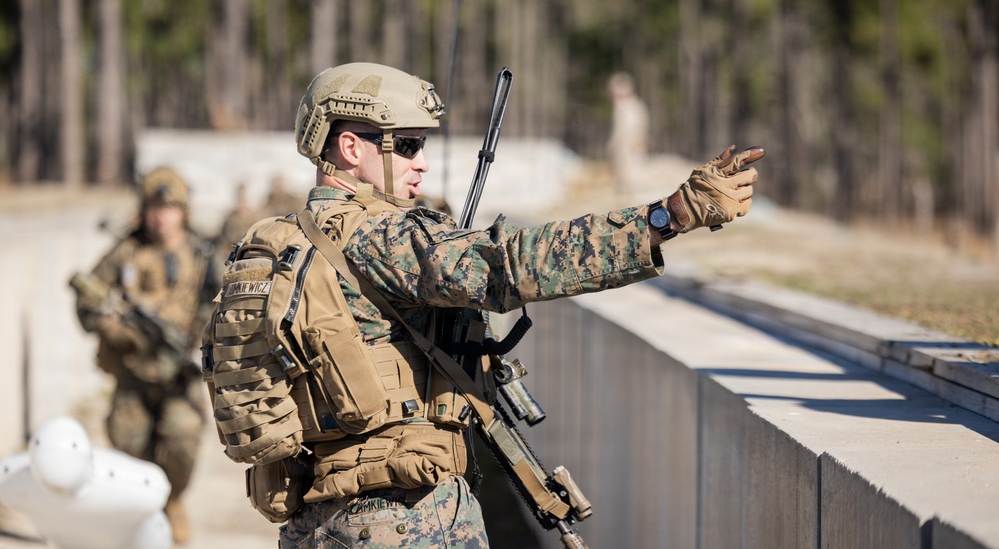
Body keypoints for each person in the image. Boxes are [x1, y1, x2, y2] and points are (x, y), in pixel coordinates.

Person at [216, 62, 762, 548]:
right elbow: (511, 264)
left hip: (317, 522)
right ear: (350, 148)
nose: (422, 163)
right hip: (406, 519)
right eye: (405, 145)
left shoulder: (277, 244)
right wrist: (666, 218)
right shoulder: (379, 238)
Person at [74, 166, 217, 544]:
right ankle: (136, 513)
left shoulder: (203, 254)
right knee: (127, 445)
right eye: (154, 206)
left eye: (169, 207)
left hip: (180, 373)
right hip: (132, 374)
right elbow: (87, 300)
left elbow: (225, 306)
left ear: (184, 210)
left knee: (183, 436)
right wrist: (118, 331)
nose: (161, 215)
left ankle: (172, 502)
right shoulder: (126, 250)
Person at [606, 72, 651, 199]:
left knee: (632, 177)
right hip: (624, 149)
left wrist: (637, 142)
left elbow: (634, 129)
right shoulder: (623, 107)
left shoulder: (632, 107)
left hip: (631, 149)